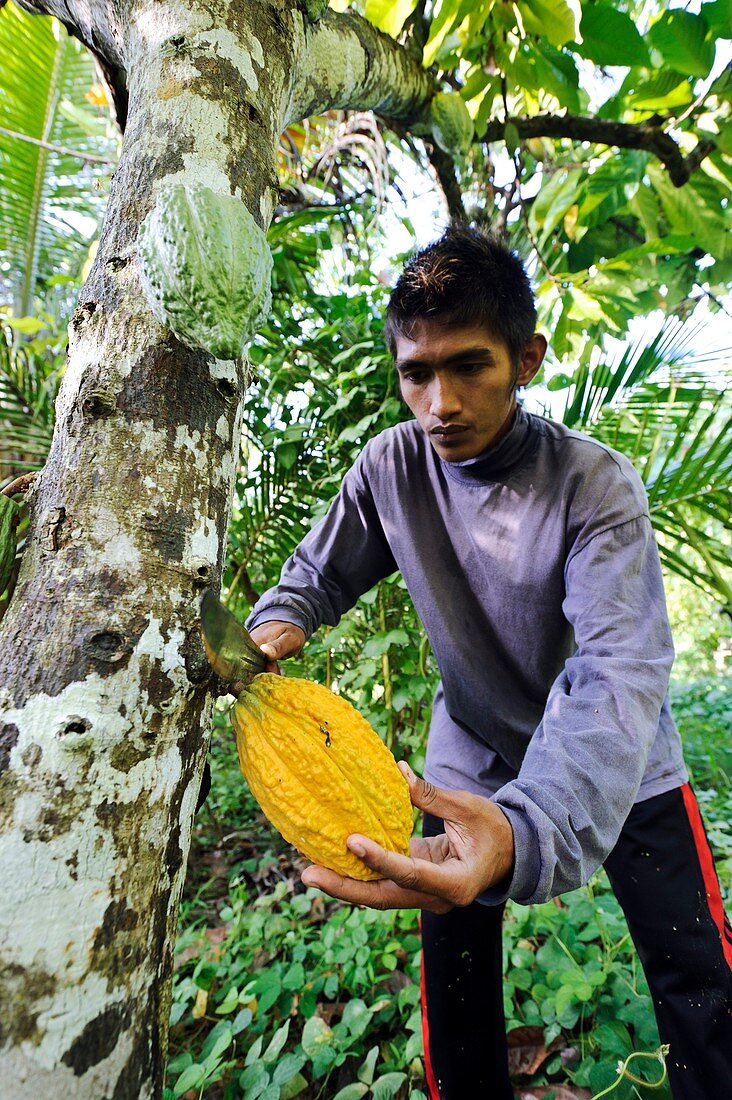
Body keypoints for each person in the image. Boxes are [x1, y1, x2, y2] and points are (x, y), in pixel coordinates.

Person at [246, 227, 732, 1099]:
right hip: (468, 748)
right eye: (416, 374)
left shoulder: (595, 485)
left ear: (528, 359)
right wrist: (275, 625)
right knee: (456, 986)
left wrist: (525, 828)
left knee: (695, 972)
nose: (440, 404)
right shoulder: (392, 466)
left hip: (617, 753)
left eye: (469, 366)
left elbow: (619, 670)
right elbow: (318, 574)